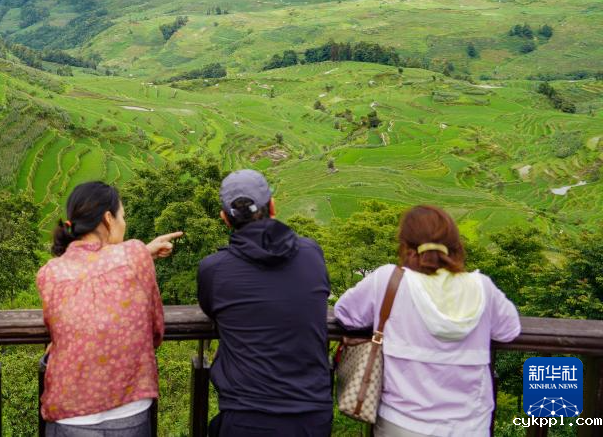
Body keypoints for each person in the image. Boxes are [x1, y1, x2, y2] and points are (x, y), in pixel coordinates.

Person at [334, 205, 521, 436]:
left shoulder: (389, 280)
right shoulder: (481, 287)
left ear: (405, 246)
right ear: (454, 247)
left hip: (400, 423)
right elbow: (509, 330)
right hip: (470, 426)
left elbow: (345, 314)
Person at [38, 181, 182, 436]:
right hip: (128, 409)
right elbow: (156, 330)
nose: (124, 224)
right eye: (122, 216)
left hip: (69, 413)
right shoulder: (134, 255)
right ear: (108, 218)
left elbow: (58, 328)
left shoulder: (50, 272)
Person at [197, 169, 333, 437]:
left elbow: (211, 309)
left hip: (246, 415)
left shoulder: (213, 269)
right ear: (272, 206)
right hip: (312, 416)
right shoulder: (311, 253)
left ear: (225, 219)